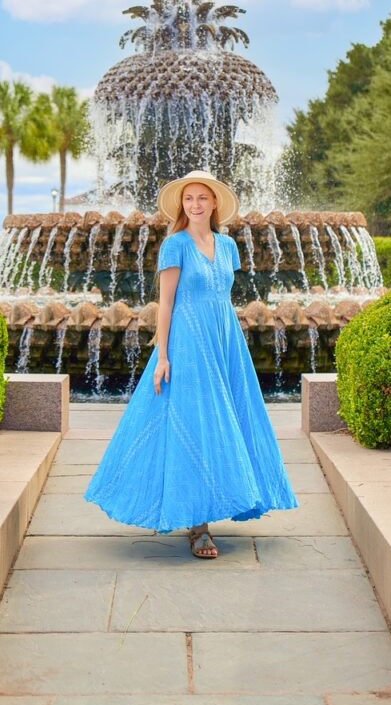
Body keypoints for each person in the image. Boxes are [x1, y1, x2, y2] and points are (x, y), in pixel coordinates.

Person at [84, 169, 298, 558]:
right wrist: (163, 355)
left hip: (224, 338)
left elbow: (221, 296)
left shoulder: (228, 246)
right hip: (188, 339)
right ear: (182, 205)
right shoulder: (175, 246)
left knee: (229, 419)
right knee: (194, 421)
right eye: (188, 199)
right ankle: (197, 525)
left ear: (215, 202)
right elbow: (165, 303)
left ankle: (234, 495)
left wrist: (231, 340)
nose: (195, 204)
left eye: (202, 198)